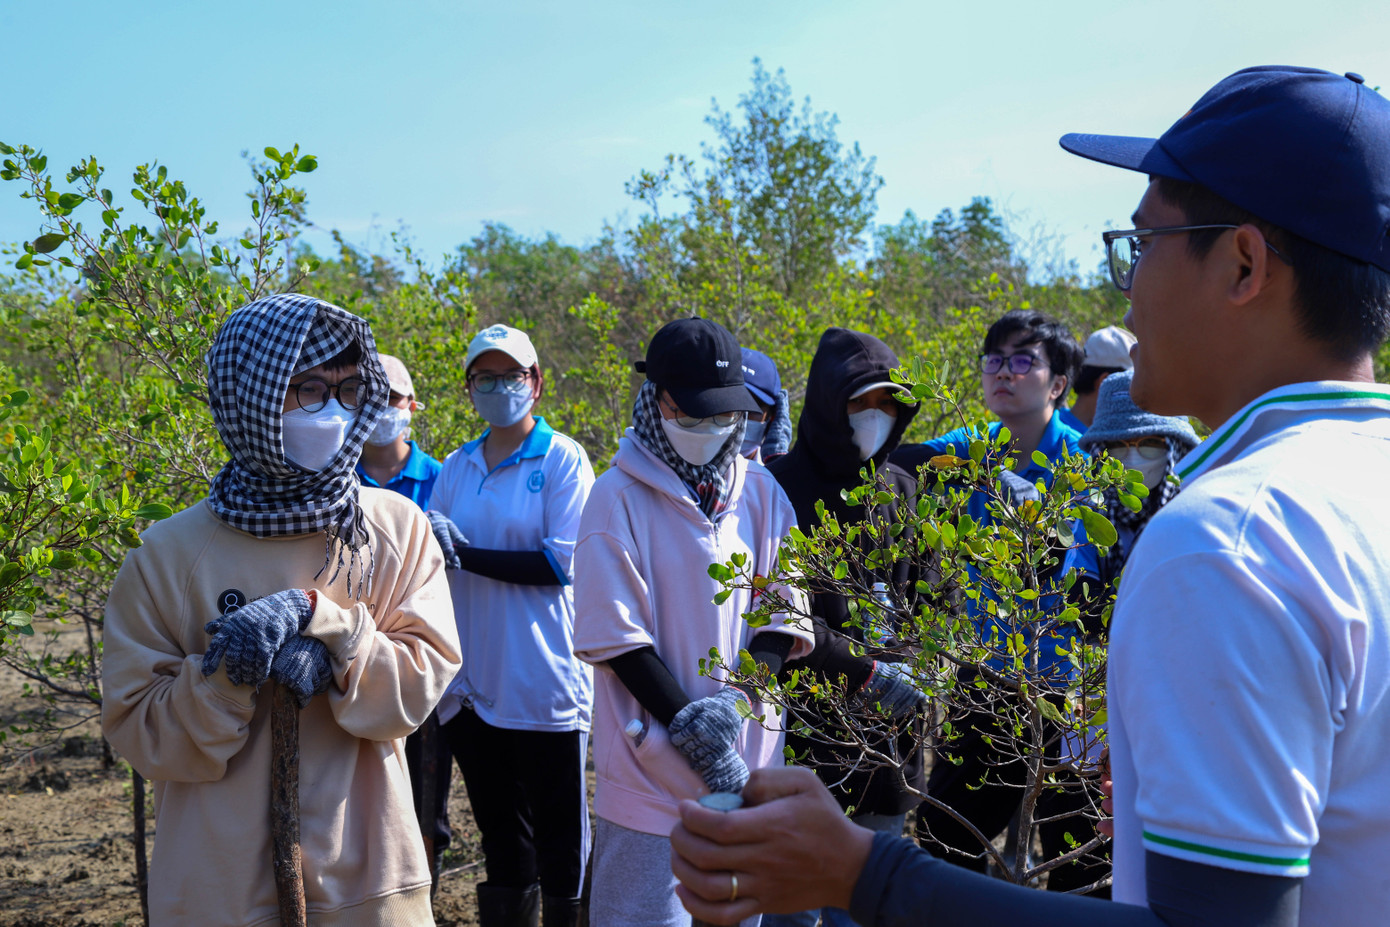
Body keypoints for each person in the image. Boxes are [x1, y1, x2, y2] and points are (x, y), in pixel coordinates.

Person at [669, 65, 1390, 927]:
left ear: (1242, 262)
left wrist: (863, 873)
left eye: (1142, 243)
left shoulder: (1230, 541)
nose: (1126, 286)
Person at [102, 293, 461, 926]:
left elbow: (419, 684)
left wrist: (336, 633)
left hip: (369, 873)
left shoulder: (396, 529)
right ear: (251, 396)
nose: (335, 411)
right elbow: (140, 730)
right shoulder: (167, 554)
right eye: (310, 390)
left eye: (349, 390)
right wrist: (224, 677)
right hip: (220, 889)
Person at [571, 317, 814, 927]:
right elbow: (618, 640)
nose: (709, 428)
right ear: (657, 400)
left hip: (746, 765)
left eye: (723, 415)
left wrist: (736, 705)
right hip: (649, 774)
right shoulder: (616, 498)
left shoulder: (761, 494)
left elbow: (782, 614)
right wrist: (692, 734)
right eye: (692, 414)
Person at [425, 323, 595, 927]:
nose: (500, 388)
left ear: (536, 382)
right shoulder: (457, 466)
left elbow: (559, 564)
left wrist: (463, 554)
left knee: (561, 845)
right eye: (486, 378)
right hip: (473, 689)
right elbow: (430, 557)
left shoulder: (562, 459)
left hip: (543, 686)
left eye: (511, 376)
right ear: (469, 388)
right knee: (502, 840)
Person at [761, 327, 926, 927]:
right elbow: (775, 611)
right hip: (804, 739)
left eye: (888, 404)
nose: (875, 416)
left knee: (867, 904)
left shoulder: (903, 491)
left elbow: (934, 602)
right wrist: (864, 670)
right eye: (861, 403)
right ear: (829, 403)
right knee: (791, 910)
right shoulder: (777, 490)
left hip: (887, 746)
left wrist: (917, 671)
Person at [353, 352, 453, 894]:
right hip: (355, 667)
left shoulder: (443, 478)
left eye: (392, 398)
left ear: (413, 405)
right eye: (370, 397)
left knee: (426, 803)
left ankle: (421, 899)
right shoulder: (336, 480)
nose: (382, 409)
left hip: (423, 667)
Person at [892, 309, 1087, 526]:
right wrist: (984, 472)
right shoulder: (978, 442)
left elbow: (1076, 545)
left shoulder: (1079, 461)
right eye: (995, 360)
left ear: (1057, 386)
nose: (1003, 372)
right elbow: (897, 463)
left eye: (1022, 361)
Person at [1077, 368, 1199, 590]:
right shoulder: (1086, 513)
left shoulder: (1195, 517)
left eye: (1150, 443)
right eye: (1117, 445)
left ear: (1175, 448)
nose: (1133, 458)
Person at [1058, 326, 1138, 432]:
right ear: (1105, 381)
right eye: (1129, 381)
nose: (1135, 389)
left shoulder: (1049, 426)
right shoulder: (1069, 437)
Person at [739, 347, 793, 464]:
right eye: (731, 403)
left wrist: (775, 463)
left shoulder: (775, 473)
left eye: (753, 408)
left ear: (772, 416)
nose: (738, 417)